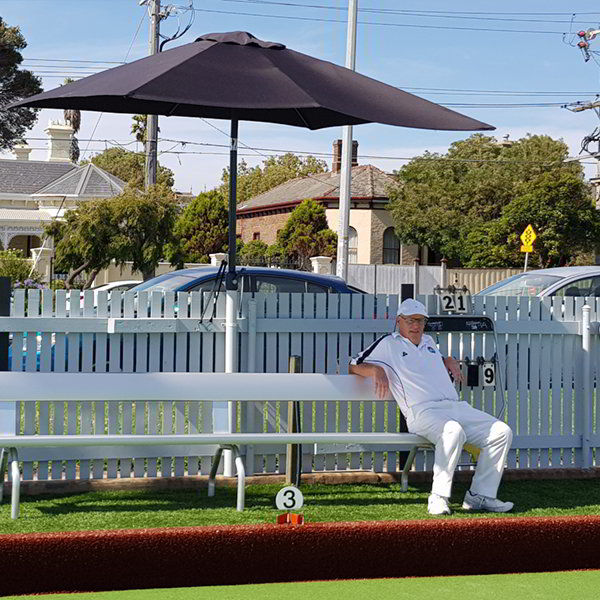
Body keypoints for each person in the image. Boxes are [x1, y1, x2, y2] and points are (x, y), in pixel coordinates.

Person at [349, 298, 513, 515]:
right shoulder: (389, 344)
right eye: (410, 320)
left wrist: (447, 360)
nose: (416, 326)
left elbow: (426, 364)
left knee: (501, 432)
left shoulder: (429, 342)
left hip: (454, 406)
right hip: (422, 412)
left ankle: (480, 496)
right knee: (452, 431)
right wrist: (376, 371)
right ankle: (438, 497)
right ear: (399, 321)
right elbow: (353, 365)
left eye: (420, 320)